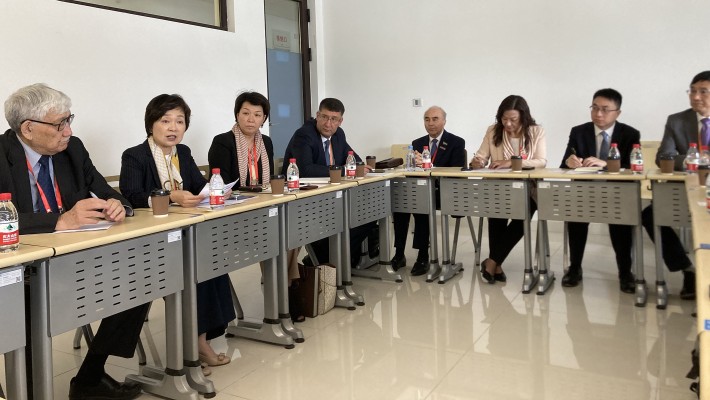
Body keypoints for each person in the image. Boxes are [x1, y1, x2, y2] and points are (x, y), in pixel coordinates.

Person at [0, 83, 140, 400]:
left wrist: (118, 205)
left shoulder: (72, 150)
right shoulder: (0, 155)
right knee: (27, 311)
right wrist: (58, 221)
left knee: (139, 277)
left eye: (69, 119)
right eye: (60, 123)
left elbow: (108, 192)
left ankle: (90, 378)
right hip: (20, 269)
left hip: (73, 259)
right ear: (28, 128)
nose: (69, 130)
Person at [120, 94, 235, 375]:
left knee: (211, 261)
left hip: (184, 232)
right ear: (151, 124)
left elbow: (197, 185)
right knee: (195, 266)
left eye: (180, 121)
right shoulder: (135, 155)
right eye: (165, 120)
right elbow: (132, 195)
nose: (173, 127)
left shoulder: (182, 153)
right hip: (150, 239)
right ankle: (196, 344)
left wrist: (215, 189)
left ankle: (200, 337)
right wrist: (170, 196)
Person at [208, 91, 304, 322]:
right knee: (277, 236)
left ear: (264, 119)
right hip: (233, 214)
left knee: (292, 232)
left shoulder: (266, 142)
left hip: (261, 207)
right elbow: (226, 185)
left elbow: (267, 179)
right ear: (237, 115)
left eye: (257, 114)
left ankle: (284, 286)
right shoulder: (223, 142)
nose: (251, 119)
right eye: (246, 113)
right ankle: (286, 294)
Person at [559, 88, 639, 293]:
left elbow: (634, 168)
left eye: (605, 109)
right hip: (584, 192)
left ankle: (625, 272)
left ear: (617, 113)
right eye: (594, 108)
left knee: (620, 224)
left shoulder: (630, 134)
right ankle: (575, 268)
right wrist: (570, 161)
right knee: (576, 219)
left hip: (617, 193)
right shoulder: (579, 131)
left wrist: (606, 163)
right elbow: (565, 163)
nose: (598, 114)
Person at [641, 71, 710, 299]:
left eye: (703, 91)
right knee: (650, 214)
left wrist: (688, 158)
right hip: (684, 190)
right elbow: (664, 157)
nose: (696, 97)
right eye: (692, 91)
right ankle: (686, 268)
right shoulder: (677, 120)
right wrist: (700, 159)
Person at [281, 98, 375, 267]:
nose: (328, 123)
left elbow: (352, 157)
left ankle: (330, 260)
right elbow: (305, 170)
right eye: (324, 117)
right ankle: (329, 261)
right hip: (304, 198)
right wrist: (346, 170)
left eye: (334, 119)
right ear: (317, 115)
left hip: (330, 196)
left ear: (340, 121)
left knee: (368, 217)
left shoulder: (339, 134)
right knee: (340, 221)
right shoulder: (304, 134)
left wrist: (363, 167)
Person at [469, 95, 546, 284]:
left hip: (528, 189)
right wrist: (476, 162)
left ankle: (492, 260)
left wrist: (510, 162)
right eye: (504, 119)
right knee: (497, 215)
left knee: (523, 216)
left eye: (513, 119)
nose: (508, 124)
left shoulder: (536, 131)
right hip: (498, 187)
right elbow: (480, 157)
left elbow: (541, 161)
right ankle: (497, 265)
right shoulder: (493, 131)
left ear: (523, 117)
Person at [391, 106, 466, 276]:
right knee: (401, 203)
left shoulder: (456, 142)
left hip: (444, 192)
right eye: (427, 119)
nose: (430, 123)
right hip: (421, 189)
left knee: (422, 203)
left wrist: (430, 166)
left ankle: (423, 255)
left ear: (444, 121)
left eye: (435, 119)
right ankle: (399, 254)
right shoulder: (417, 143)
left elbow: (456, 171)